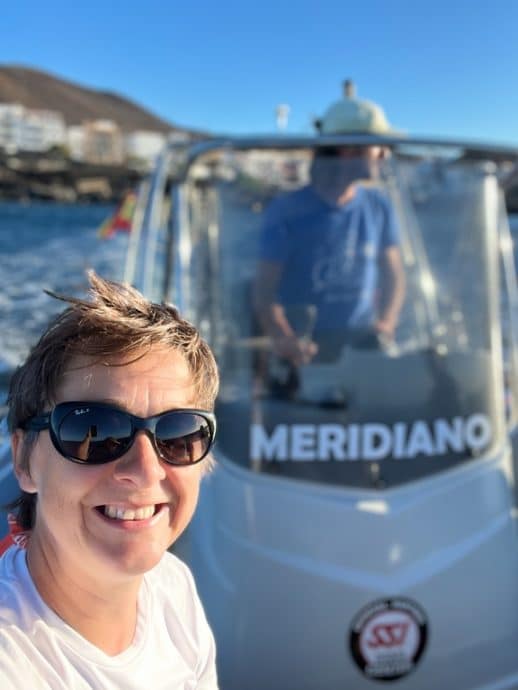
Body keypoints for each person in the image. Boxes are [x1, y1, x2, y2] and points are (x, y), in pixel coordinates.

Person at [0, 271, 220, 689]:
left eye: (177, 434)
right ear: (24, 460)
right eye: (94, 432)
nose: (144, 470)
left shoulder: (172, 588)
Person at [254, 80, 406, 367]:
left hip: (363, 348)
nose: (386, 154)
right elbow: (264, 291)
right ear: (349, 149)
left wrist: (386, 322)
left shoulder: (380, 206)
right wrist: (285, 339)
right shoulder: (286, 211)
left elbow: (394, 274)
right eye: (379, 146)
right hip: (304, 354)